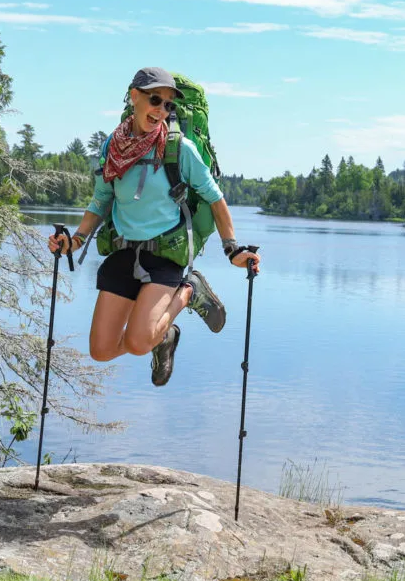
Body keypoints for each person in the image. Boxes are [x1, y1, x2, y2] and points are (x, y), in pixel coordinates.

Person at [48, 66, 261, 386]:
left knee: (137, 341)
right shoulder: (113, 147)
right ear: (134, 97)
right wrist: (75, 241)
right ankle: (163, 336)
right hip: (123, 252)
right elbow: (101, 201)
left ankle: (188, 292)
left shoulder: (179, 150)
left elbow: (216, 199)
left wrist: (232, 249)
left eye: (168, 105)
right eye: (155, 100)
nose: (161, 109)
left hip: (165, 255)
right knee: (101, 350)